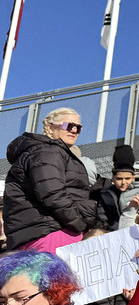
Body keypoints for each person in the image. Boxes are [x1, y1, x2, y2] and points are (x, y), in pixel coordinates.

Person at [3, 107, 98, 251]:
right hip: (52, 232)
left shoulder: (44, 151)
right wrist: (79, 224)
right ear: (49, 128)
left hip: (40, 232)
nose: (74, 130)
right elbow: (52, 194)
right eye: (68, 125)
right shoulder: (47, 151)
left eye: (78, 128)